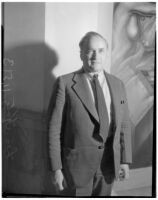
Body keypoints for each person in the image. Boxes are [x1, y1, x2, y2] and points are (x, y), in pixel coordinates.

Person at [48, 31, 132, 196]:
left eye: (100, 50)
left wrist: (124, 160)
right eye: (90, 50)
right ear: (81, 53)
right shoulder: (64, 83)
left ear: (106, 53)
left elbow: (124, 124)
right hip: (76, 169)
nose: (95, 56)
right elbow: (54, 129)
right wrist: (56, 168)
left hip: (108, 166)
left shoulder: (118, 85)